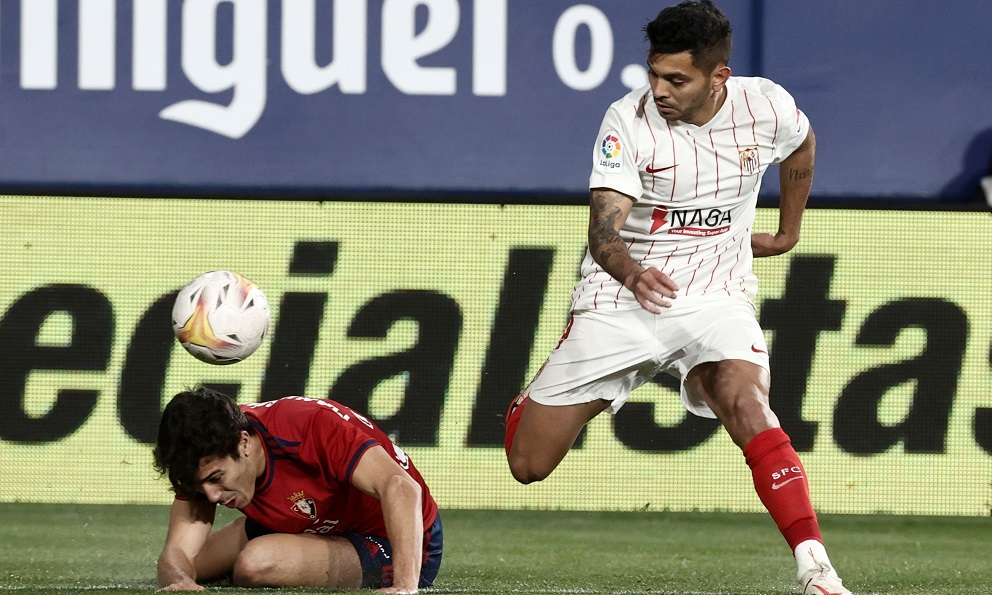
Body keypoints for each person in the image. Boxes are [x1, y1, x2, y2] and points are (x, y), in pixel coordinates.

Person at [503, 2, 854, 594]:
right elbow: (603, 234)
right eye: (654, 73)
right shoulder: (628, 120)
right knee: (528, 465)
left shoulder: (766, 105)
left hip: (716, 296)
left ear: (719, 77)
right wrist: (633, 273)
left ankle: (816, 568)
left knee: (747, 403)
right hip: (622, 299)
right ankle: (535, 399)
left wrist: (789, 231)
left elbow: (802, 144)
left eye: (676, 79)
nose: (659, 90)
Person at [152, 387, 441, 593]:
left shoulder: (310, 426)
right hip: (308, 522)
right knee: (195, 566)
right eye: (200, 487)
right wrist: (182, 582)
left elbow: (402, 486)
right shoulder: (202, 451)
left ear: (244, 443)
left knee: (257, 563)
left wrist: (405, 585)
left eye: (217, 478)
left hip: (393, 540)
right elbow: (177, 553)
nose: (212, 496)